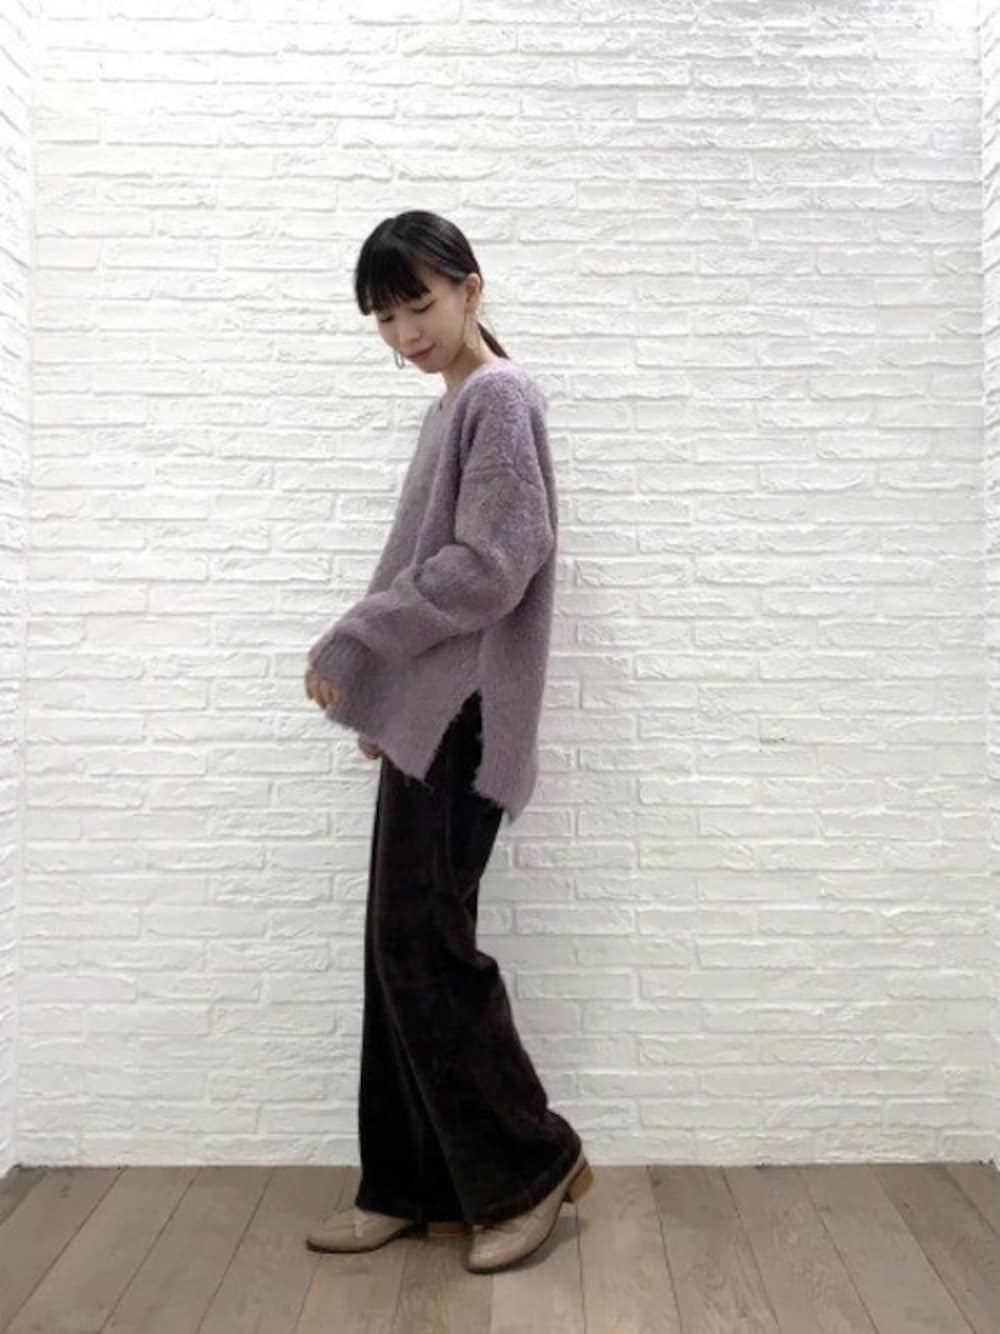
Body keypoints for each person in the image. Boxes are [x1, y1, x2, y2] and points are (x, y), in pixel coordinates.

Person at [302, 211, 592, 1275]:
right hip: (436, 719)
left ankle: (532, 1165)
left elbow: (492, 565)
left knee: (424, 948)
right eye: (384, 317)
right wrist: (390, 700)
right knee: (398, 949)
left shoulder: (499, 397)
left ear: (472, 288)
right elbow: (431, 565)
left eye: (418, 303)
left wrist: (359, 636)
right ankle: (411, 1185)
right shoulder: (451, 409)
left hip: (471, 721)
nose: (404, 332)